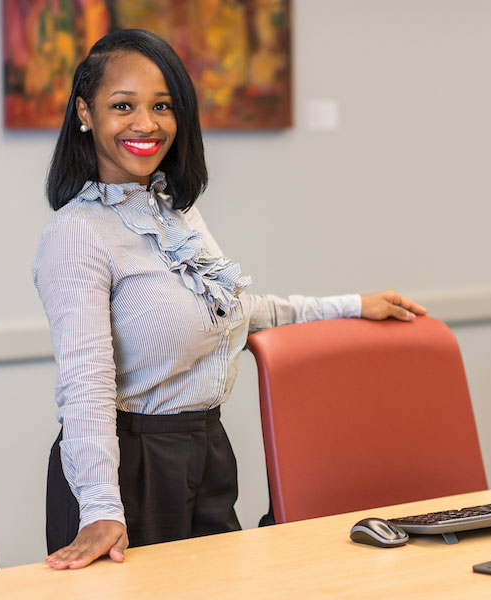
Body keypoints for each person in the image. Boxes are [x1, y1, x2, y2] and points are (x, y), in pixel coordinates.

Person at [33, 29, 426, 571]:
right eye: (122, 106)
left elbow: (230, 314)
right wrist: (100, 507)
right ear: (85, 112)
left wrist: (354, 304)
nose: (146, 123)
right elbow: (85, 384)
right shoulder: (78, 232)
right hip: (130, 471)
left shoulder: (175, 212)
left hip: (206, 452)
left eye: (162, 106)